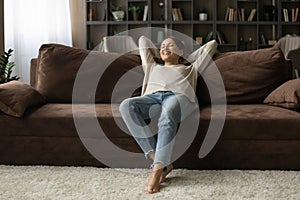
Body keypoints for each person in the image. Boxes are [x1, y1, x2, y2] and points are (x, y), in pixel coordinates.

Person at [119, 35, 217, 193]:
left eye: (171, 46)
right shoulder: (151, 66)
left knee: (168, 112)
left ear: (181, 51)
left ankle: (157, 170)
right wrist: (164, 50)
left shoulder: (190, 69)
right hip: (152, 98)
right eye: (163, 46)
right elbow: (143, 40)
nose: (165, 48)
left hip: (178, 97)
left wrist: (185, 58)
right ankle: (162, 162)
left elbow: (212, 45)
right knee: (125, 106)